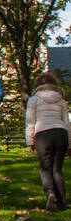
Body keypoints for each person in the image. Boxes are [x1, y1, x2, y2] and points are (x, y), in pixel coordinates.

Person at [25, 71, 71, 211]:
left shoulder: (34, 100)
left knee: (45, 168)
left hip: (43, 134)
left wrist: (30, 141)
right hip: (60, 133)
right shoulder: (61, 100)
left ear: (38, 85)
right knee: (57, 169)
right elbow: (67, 123)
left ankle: (50, 193)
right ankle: (62, 201)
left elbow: (30, 122)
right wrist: (70, 143)